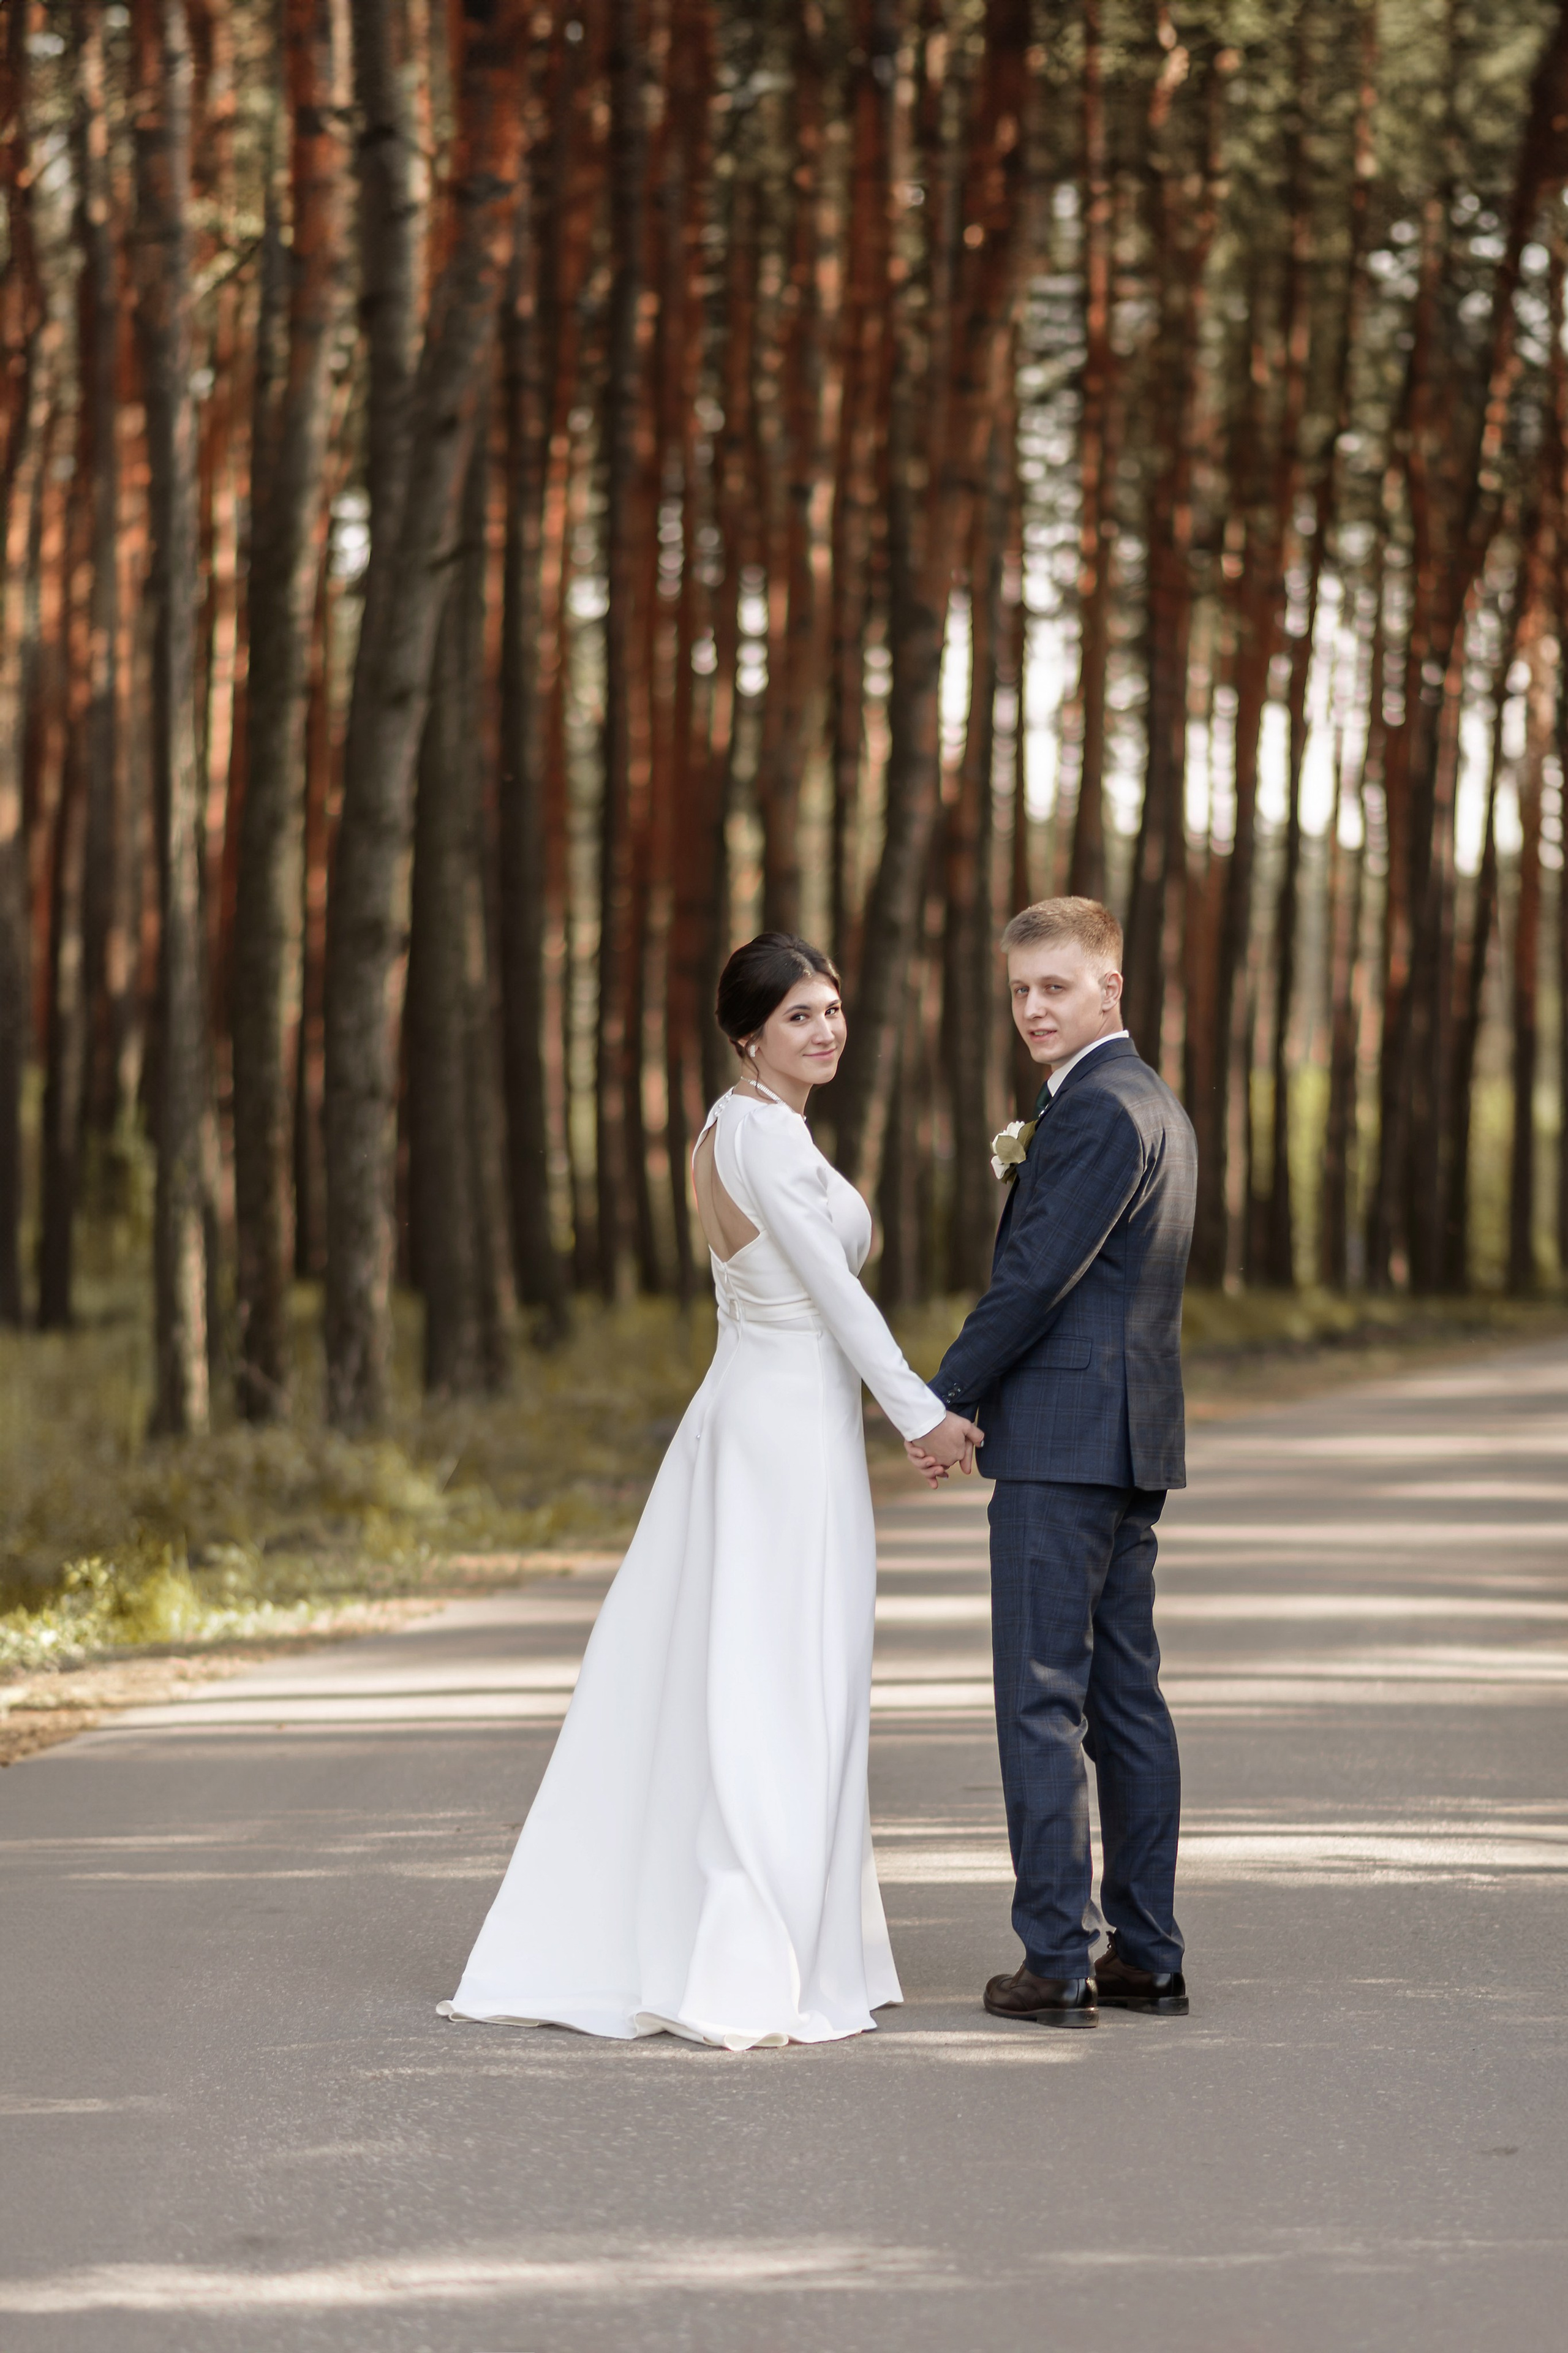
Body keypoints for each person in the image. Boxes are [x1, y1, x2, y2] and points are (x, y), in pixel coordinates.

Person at [440, 933, 982, 2050]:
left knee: (768, 1668)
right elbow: (835, 1292)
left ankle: (783, 1929)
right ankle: (749, 1949)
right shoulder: (759, 1137)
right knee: (776, 1675)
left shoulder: (748, 1126)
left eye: (832, 1009)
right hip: (779, 1431)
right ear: (749, 1035)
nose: (825, 1029)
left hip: (771, 1417)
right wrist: (920, 1413)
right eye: (799, 1017)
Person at [911, 896, 1197, 2028]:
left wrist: (944, 1397)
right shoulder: (1152, 1101)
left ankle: (1057, 1959)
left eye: (1057, 987)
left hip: (1066, 1447)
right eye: (1022, 989)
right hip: (1129, 1441)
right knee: (1126, 1700)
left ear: (1109, 988)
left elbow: (1034, 1279)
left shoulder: (1096, 1112)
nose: (1034, 1008)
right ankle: (1147, 1951)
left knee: (1040, 1700)